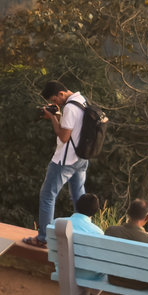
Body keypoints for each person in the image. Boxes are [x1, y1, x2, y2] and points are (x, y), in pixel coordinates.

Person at [25, 80, 91, 247]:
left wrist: (52, 118)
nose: (55, 103)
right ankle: (83, 237)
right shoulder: (81, 100)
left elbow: (63, 136)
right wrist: (58, 115)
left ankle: (43, 239)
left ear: (61, 94)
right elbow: (73, 127)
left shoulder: (69, 107)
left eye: (55, 100)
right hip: (81, 158)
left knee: (47, 196)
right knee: (79, 198)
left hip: (65, 161)